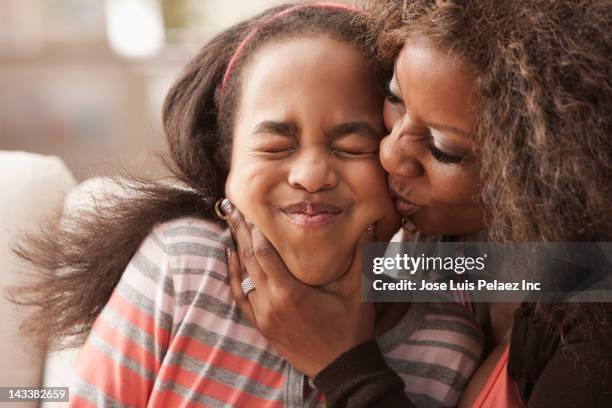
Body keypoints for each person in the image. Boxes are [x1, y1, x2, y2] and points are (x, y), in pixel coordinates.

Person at [11, 3, 484, 407]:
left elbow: (555, 273)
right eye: (277, 147)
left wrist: (348, 367)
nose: (311, 175)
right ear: (226, 165)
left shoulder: (448, 337)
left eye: (353, 147)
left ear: (393, 174)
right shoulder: (182, 266)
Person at [222, 0, 612, 407]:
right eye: (396, 98)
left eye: (444, 150)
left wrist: (346, 367)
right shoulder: (461, 251)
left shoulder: (594, 335)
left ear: (551, 173)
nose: (389, 155)